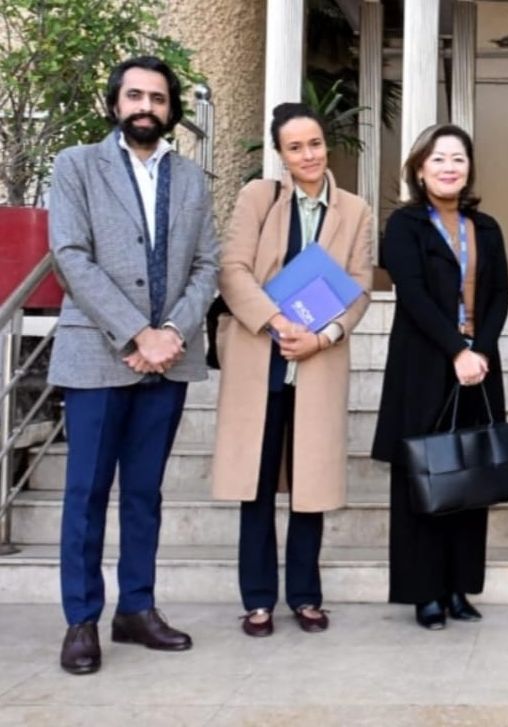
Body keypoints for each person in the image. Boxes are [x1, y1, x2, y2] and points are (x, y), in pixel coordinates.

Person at [48, 56, 219, 674]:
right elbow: (70, 255)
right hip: (98, 355)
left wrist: (170, 333)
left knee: (144, 493)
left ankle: (136, 609)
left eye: (158, 98)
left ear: (171, 109)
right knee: (87, 493)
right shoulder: (76, 165)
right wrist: (136, 332)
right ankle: (81, 620)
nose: (146, 106)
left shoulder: (193, 179)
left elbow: (207, 265)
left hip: (168, 360)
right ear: (115, 103)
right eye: (135, 95)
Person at [210, 103, 375, 637]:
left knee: (311, 484)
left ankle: (305, 596)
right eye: (296, 147)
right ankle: (258, 599)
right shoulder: (258, 198)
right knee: (256, 485)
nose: (308, 155)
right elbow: (232, 269)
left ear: (328, 145)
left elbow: (360, 285)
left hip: (317, 364)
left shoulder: (356, 210)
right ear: (281, 154)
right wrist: (278, 322)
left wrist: (323, 336)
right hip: (260, 358)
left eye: (315, 144)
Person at [371, 124, 508, 630]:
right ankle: (424, 592)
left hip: (479, 365)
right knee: (422, 478)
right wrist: (456, 350)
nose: (449, 167)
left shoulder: (486, 227)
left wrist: (480, 350)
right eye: (438, 159)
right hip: (423, 364)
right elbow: (412, 294)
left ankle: (458, 588)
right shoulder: (404, 224)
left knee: (471, 477)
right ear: (420, 169)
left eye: (458, 158)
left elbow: (500, 296)